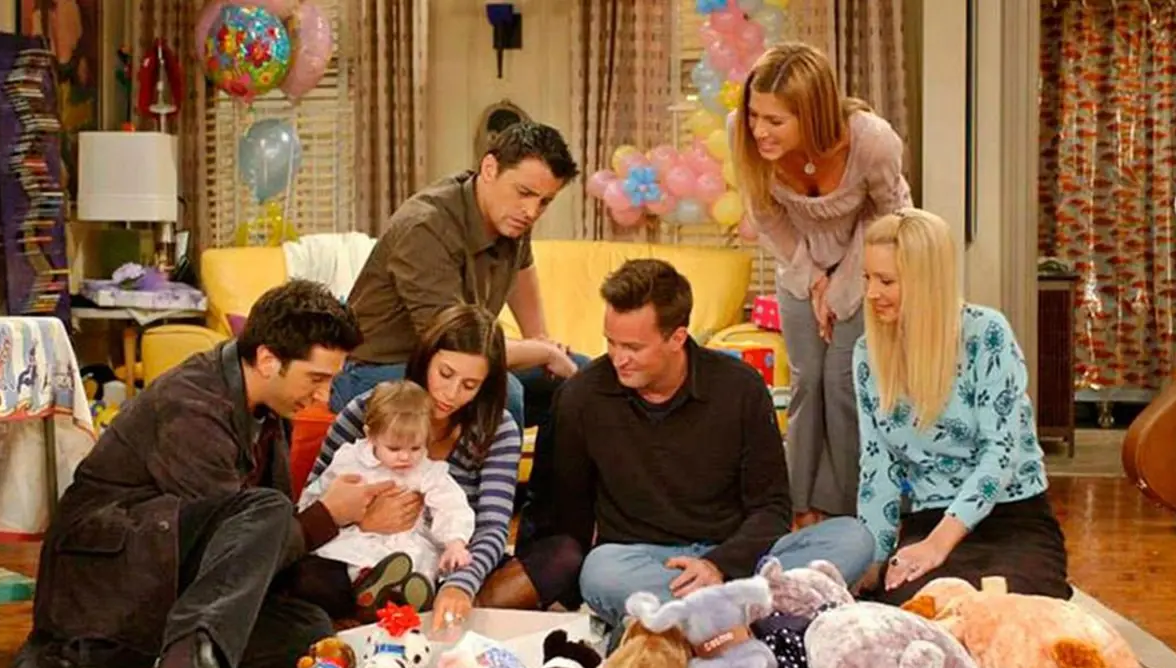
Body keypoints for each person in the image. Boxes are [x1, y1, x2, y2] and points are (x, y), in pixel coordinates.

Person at [3, 280, 387, 668]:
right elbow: (237, 544)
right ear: (268, 360)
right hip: (107, 580)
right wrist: (328, 515)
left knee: (306, 630)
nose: (323, 395)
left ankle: (78, 666)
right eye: (316, 378)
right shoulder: (191, 404)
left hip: (163, 569)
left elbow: (246, 562)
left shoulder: (270, 406)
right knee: (269, 510)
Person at [482, 259, 876, 629]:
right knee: (600, 572)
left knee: (853, 538)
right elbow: (564, 514)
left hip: (738, 558)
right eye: (612, 343)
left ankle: (697, 619)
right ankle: (750, 614)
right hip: (643, 562)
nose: (618, 358)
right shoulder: (582, 397)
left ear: (677, 338)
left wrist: (719, 566)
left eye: (633, 347)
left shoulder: (740, 387)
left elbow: (771, 508)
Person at [732, 41, 913, 528]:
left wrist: (842, 288)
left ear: (811, 115)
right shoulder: (743, 135)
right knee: (807, 379)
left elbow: (886, 220)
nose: (759, 130)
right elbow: (768, 218)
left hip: (868, 257)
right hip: (799, 261)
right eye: (754, 115)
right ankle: (797, 506)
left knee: (843, 382)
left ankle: (853, 509)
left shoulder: (871, 141)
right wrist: (813, 279)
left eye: (775, 120)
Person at [853, 208, 1070, 606]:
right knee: (914, 608)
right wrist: (874, 560)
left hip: (1012, 517)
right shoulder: (867, 354)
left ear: (925, 282)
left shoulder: (987, 333)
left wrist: (938, 545)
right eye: (866, 278)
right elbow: (877, 464)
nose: (871, 293)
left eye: (886, 281)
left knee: (1008, 606)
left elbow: (1000, 453)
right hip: (928, 516)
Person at [334, 121, 584, 433]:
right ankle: (484, 468)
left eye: (545, 201)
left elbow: (523, 276)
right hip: (373, 369)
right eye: (524, 193)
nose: (532, 211)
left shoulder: (511, 216)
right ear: (489, 168)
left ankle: (553, 469)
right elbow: (459, 346)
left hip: (454, 360)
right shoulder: (425, 227)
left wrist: (544, 348)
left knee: (583, 378)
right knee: (503, 394)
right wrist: (542, 351)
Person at [298, 304, 521, 632]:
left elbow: (492, 527)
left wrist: (460, 584)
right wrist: (360, 518)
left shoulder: (497, 429)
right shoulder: (369, 409)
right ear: (426, 359)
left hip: (441, 558)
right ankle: (378, 609)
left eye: (470, 385)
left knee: (548, 563)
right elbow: (312, 501)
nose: (451, 393)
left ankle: (400, 606)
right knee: (307, 577)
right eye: (445, 374)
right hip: (353, 548)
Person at [295, 379, 475, 614]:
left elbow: (451, 504)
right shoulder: (351, 460)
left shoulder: (427, 471)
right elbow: (320, 494)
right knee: (345, 560)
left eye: (415, 448)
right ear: (370, 436)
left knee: (420, 562)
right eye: (394, 448)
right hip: (359, 535)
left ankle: (409, 594)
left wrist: (455, 542)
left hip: (406, 541)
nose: (405, 457)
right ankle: (368, 585)